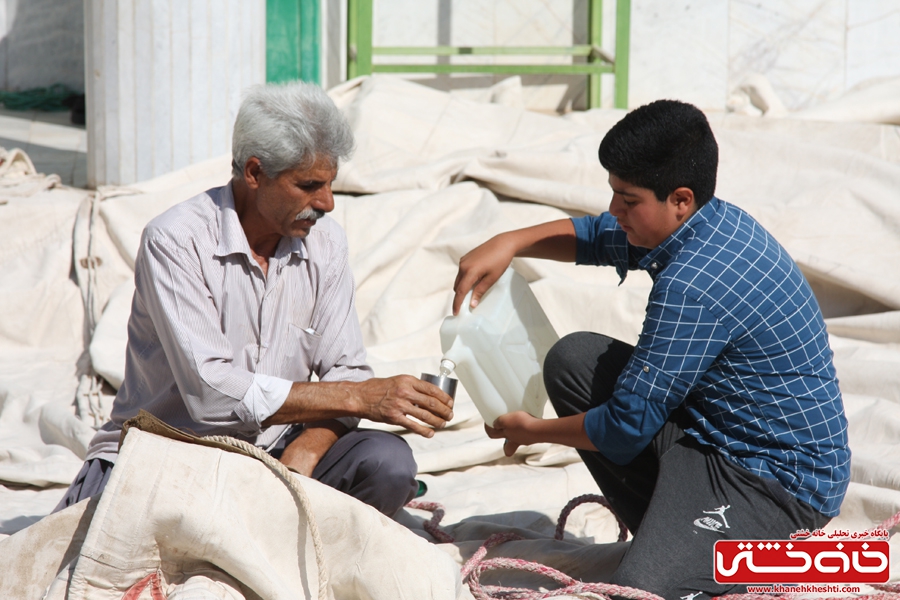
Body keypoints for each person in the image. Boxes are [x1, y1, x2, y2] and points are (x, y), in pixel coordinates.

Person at [452, 99, 850, 599]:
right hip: (714, 436)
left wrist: (536, 431)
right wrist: (510, 240)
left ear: (679, 199)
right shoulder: (707, 221)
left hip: (775, 486)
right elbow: (602, 236)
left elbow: (624, 426)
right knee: (574, 362)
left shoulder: (693, 284)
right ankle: (683, 537)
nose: (615, 210)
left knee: (637, 590)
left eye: (628, 199)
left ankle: (757, 556)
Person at [56, 82, 454, 518]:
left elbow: (346, 369)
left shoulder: (326, 244)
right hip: (174, 451)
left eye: (330, 184)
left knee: (388, 465)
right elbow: (212, 395)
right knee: (134, 530)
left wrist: (306, 447)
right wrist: (360, 397)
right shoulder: (175, 240)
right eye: (308, 185)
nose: (328, 203)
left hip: (278, 451)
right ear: (253, 173)